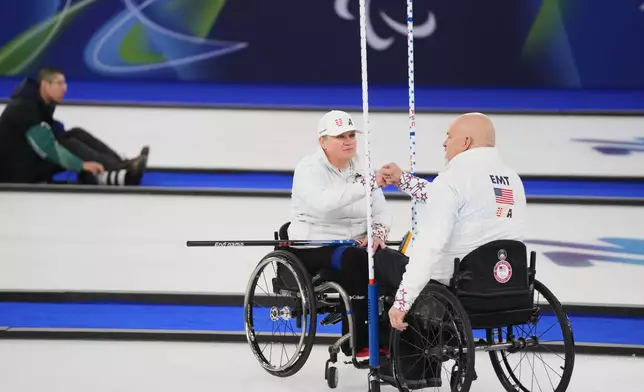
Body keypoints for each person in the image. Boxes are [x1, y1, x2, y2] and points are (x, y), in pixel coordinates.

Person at [376, 112, 527, 387]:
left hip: (457, 286)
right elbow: (443, 196)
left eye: (448, 136)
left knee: (384, 262)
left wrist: (401, 303)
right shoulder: (511, 178)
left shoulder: (453, 179)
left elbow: (429, 248)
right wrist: (403, 180)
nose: (444, 143)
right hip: (506, 284)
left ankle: (412, 363)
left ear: (466, 142)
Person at [287, 110, 409, 360]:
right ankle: (358, 340)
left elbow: (383, 212)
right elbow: (324, 204)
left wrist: (377, 233)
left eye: (352, 135)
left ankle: (395, 336)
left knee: (391, 261)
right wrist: (368, 184)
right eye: (339, 136)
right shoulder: (308, 168)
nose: (348, 141)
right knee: (355, 260)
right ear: (322, 142)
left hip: (356, 244)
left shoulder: (363, 168)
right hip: (314, 244)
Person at [0, 67, 148, 185]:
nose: (64, 88)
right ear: (45, 85)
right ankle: (121, 171)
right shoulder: (24, 108)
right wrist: (81, 165)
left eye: (65, 83)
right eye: (59, 83)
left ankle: (122, 164)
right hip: (14, 172)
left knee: (75, 133)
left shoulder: (40, 102)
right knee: (70, 145)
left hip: (27, 158)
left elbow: (53, 131)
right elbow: (46, 147)